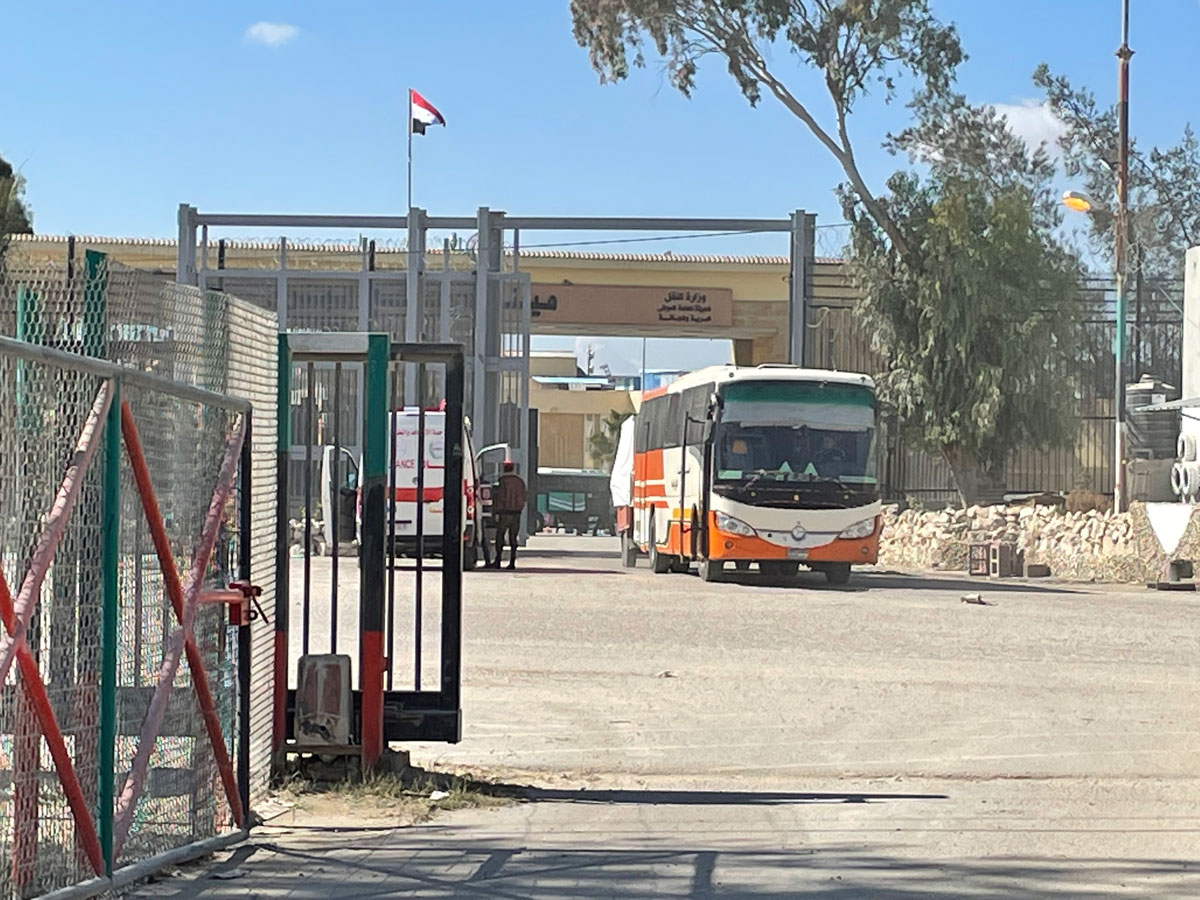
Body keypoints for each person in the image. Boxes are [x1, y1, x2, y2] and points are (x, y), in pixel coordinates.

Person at [490, 461, 527, 570]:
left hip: (504, 513)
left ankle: (498, 561)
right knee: (513, 538)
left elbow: (500, 498)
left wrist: (496, 512)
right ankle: (512, 562)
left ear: (504, 469)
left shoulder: (503, 481)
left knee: (500, 537)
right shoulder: (520, 482)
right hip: (516, 514)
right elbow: (524, 497)